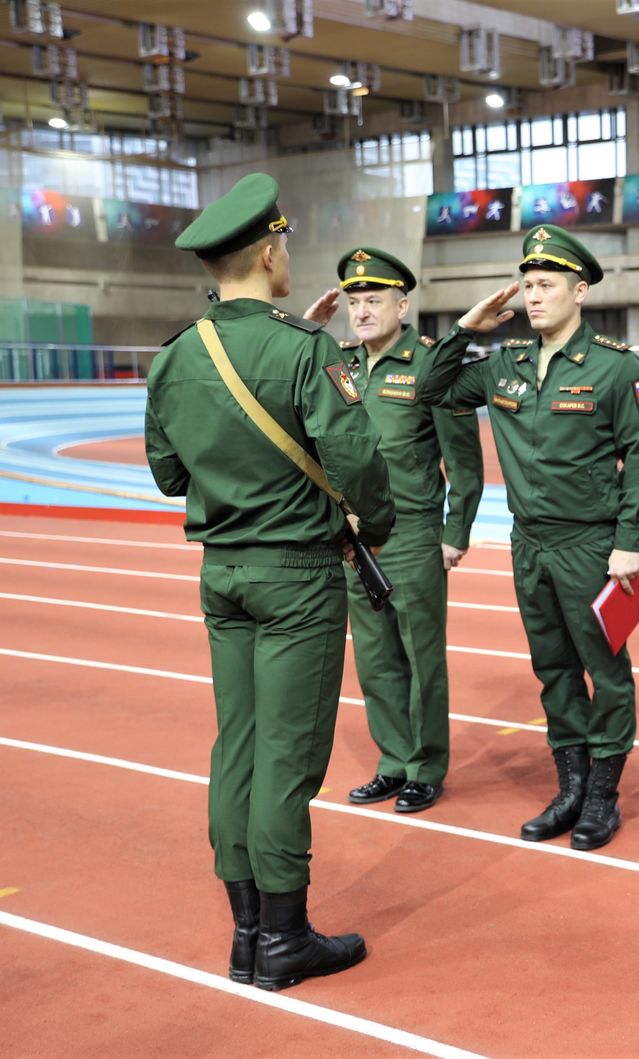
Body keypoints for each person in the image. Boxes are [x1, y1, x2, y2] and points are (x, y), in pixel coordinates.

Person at [144, 173, 395, 991]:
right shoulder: (303, 348)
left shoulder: (175, 356)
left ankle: (247, 931)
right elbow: (356, 459)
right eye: (283, 243)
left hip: (223, 573)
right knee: (287, 756)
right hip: (296, 576)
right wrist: (376, 525)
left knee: (239, 749)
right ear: (266, 252)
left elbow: (168, 474)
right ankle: (284, 940)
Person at [414, 224, 639, 851]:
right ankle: (571, 789)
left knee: (605, 671)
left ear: (579, 291)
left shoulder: (615, 366)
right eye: (527, 286)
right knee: (553, 670)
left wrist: (629, 540)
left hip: (592, 545)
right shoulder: (506, 363)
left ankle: (603, 797)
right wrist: (465, 329)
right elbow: (431, 389)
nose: (533, 296)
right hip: (528, 544)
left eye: (547, 285)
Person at [311, 247, 484, 814]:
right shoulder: (338, 364)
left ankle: (426, 767)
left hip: (412, 536)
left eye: (374, 300)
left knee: (421, 658)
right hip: (354, 539)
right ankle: (393, 761)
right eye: (354, 302)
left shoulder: (431, 365)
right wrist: (303, 328)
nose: (362, 312)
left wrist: (456, 531)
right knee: (375, 659)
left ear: (401, 306)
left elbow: (464, 461)